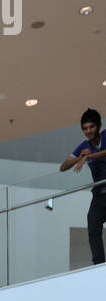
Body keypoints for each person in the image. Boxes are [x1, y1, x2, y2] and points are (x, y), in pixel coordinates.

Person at [60, 108, 106, 264]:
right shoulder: (84, 146)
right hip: (99, 193)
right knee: (93, 225)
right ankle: (99, 266)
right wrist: (79, 157)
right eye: (85, 128)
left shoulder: (105, 135)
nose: (88, 131)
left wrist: (88, 157)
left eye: (91, 127)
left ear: (98, 125)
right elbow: (63, 166)